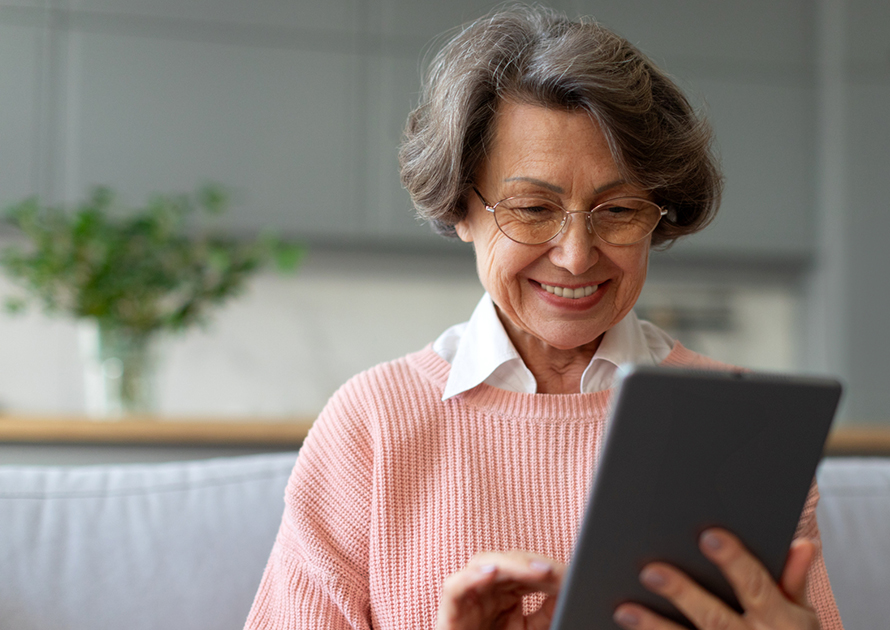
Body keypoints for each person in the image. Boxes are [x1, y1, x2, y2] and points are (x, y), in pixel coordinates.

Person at [245, 6, 842, 630]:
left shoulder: (737, 428)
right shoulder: (371, 425)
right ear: (460, 208)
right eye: (532, 207)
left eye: (618, 210)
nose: (577, 255)